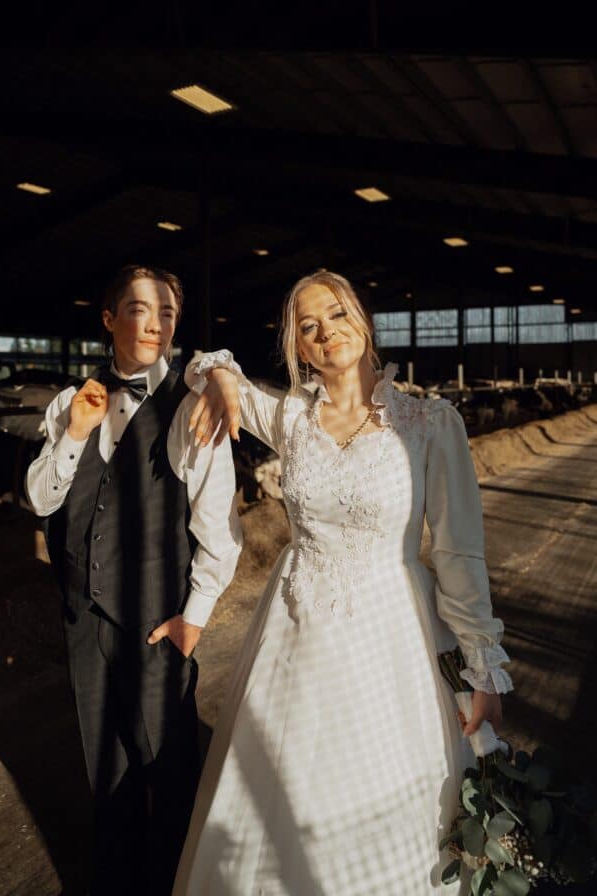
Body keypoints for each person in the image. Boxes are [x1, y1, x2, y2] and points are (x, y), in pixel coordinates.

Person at [172, 269, 512, 896]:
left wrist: (483, 668)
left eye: (336, 314)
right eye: (309, 325)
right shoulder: (291, 419)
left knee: (382, 785)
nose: (326, 331)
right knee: (286, 787)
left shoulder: (429, 424)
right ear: (299, 348)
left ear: (362, 320)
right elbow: (202, 366)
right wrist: (220, 375)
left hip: (394, 637)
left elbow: (461, 554)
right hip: (295, 634)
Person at [25, 265, 242, 895]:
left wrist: (193, 617)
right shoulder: (71, 403)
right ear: (108, 319)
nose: (155, 324)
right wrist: (72, 435)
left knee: (167, 773)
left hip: (157, 621)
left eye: (167, 313)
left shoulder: (191, 407)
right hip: (85, 621)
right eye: (140, 310)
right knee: (105, 767)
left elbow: (219, 525)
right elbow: (41, 498)